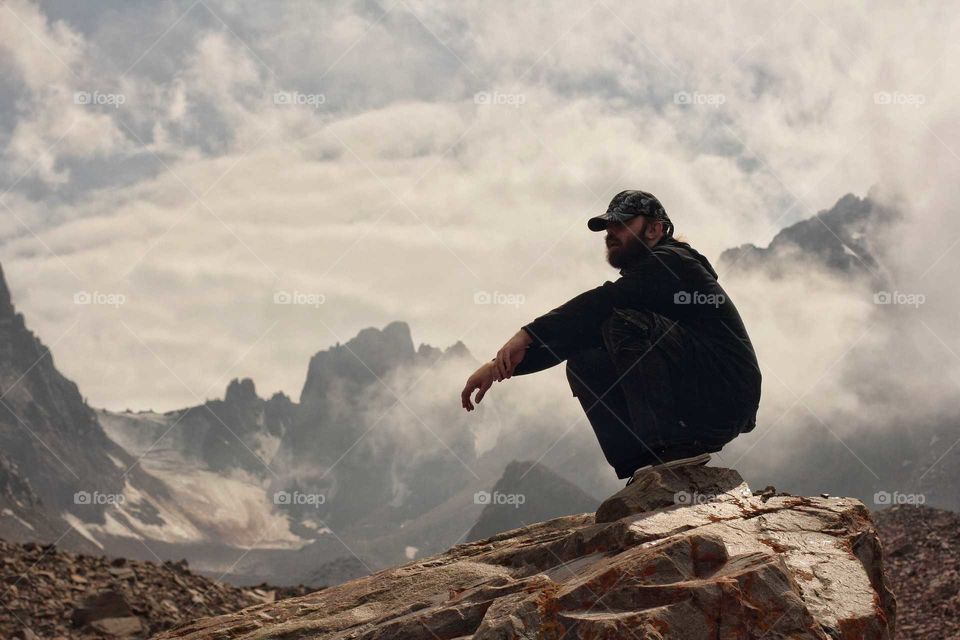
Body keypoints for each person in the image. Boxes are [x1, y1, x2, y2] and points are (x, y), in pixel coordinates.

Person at [460, 189, 761, 484]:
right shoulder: (643, 282)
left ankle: (669, 449)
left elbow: (603, 300)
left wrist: (526, 334)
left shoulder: (675, 262)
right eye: (608, 226)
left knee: (622, 321)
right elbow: (578, 334)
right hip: (702, 398)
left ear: (655, 229)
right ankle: (643, 462)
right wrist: (498, 367)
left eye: (622, 223)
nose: (610, 233)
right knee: (585, 358)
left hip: (725, 396)